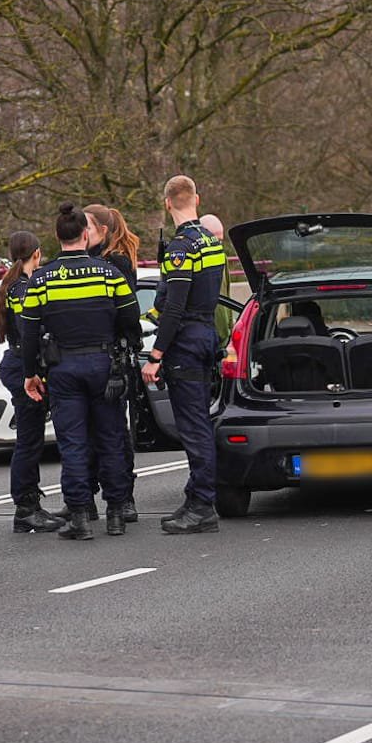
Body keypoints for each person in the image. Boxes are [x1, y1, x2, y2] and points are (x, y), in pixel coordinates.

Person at [21, 203, 140, 539]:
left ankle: (80, 517)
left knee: (73, 443)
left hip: (63, 368)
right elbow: (130, 317)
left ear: (58, 237)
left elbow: (29, 331)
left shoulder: (42, 279)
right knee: (111, 438)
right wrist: (123, 347)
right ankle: (116, 512)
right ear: (85, 234)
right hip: (104, 365)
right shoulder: (108, 274)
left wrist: (30, 373)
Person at [142, 175, 226, 534]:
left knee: (193, 427)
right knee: (199, 423)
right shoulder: (211, 241)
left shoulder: (181, 248)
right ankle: (195, 497)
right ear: (197, 199)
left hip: (186, 343)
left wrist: (156, 354)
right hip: (205, 334)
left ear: (167, 204)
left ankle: (203, 504)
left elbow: (174, 307)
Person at [0, 230, 63, 533]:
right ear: (36, 254)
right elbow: (28, 331)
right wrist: (31, 373)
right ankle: (25, 507)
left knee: (31, 438)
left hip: (19, 363)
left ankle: (30, 502)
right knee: (29, 441)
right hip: (24, 366)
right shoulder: (23, 287)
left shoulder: (12, 284)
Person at [84, 204, 142, 524]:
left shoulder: (114, 263)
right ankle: (90, 494)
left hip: (112, 357)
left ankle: (124, 497)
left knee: (115, 432)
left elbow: (125, 312)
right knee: (92, 432)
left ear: (102, 231)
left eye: (87, 227)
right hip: (98, 356)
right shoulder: (94, 260)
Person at [199, 213, 235, 342]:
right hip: (209, 336)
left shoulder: (221, 258)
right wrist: (223, 334)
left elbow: (226, 295)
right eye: (215, 240)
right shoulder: (199, 261)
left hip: (222, 335)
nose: (218, 245)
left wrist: (231, 327)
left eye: (220, 241)